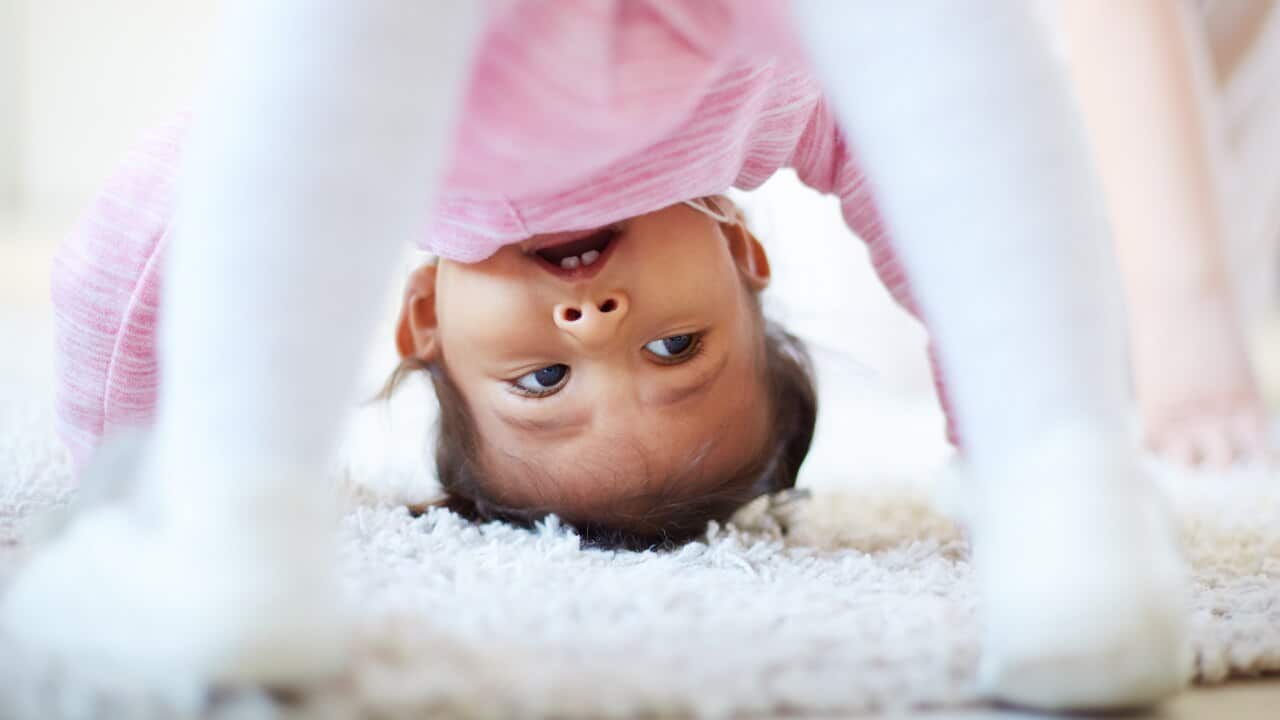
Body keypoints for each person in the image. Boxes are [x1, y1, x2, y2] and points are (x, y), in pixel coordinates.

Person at [4, 1, 1189, 711]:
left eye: (540, 385)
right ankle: (1067, 514)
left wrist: (139, 476)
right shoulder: (768, 95)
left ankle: (215, 540)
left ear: (423, 322)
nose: (597, 329)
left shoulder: (378, 153)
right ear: (739, 246)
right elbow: (950, 201)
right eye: (677, 345)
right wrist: (1011, 427)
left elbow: (130, 264)